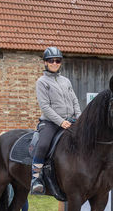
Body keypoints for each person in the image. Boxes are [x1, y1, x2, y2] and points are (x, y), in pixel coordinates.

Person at [31, 46, 81, 194]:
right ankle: (36, 178)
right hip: (51, 123)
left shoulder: (66, 81)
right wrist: (60, 122)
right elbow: (45, 107)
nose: (54, 63)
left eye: (57, 60)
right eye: (51, 60)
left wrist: (79, 117)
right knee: (43, 144)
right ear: (45, 62)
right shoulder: (41, 82)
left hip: (71, 121)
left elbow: (75, 101)